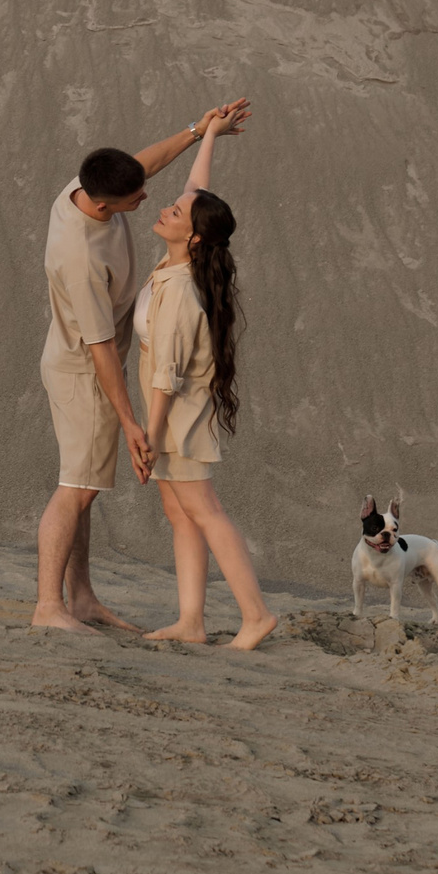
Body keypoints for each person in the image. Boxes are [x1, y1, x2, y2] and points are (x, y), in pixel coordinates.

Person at [34, 100, 250, 633]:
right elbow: (101, 349)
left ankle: (81, 599)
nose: (152, 197)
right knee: (77, 488)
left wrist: (200, 130)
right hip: (84, 371)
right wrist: (133, 424)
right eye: (140, 198)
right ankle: (48, 607)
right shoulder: (79, 258)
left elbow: (147, 168)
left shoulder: (85, 187)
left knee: (84, 482)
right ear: (107, 208)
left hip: (98, 363)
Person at [133, 102, 278, 650]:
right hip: (175, 415)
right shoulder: (182, 259)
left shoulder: (181, 291)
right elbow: (195, 192)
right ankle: (191, 620)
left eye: (176, 213)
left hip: (177, 417)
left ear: (193, 238)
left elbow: (166, 376)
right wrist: (209, 134)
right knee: (180, 513)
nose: (168, 210)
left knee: (206, 512)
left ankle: (256, 614)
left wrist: (147, 435)